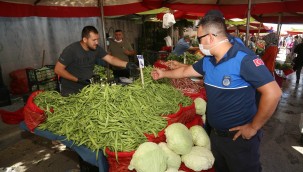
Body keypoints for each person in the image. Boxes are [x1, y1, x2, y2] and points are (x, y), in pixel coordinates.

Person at [151, 15, 282, 172]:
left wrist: (254, 127)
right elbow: (186, 70)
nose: (199, 43)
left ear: (211, 37)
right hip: (216, 136)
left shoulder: (243, 60)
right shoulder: (209, 60)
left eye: (200, 38)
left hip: (238, 139)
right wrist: (164, 74)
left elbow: (273, 93)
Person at [54, 26, 138, 97]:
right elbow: (58, 69)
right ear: (85, 39)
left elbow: (110, 59)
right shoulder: (71, 50)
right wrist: (77, 80)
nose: (97, 42)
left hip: (87, 88)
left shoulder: (95, 48)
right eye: (94, 40)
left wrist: (127, 64)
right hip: (71, 90)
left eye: (97, 39)